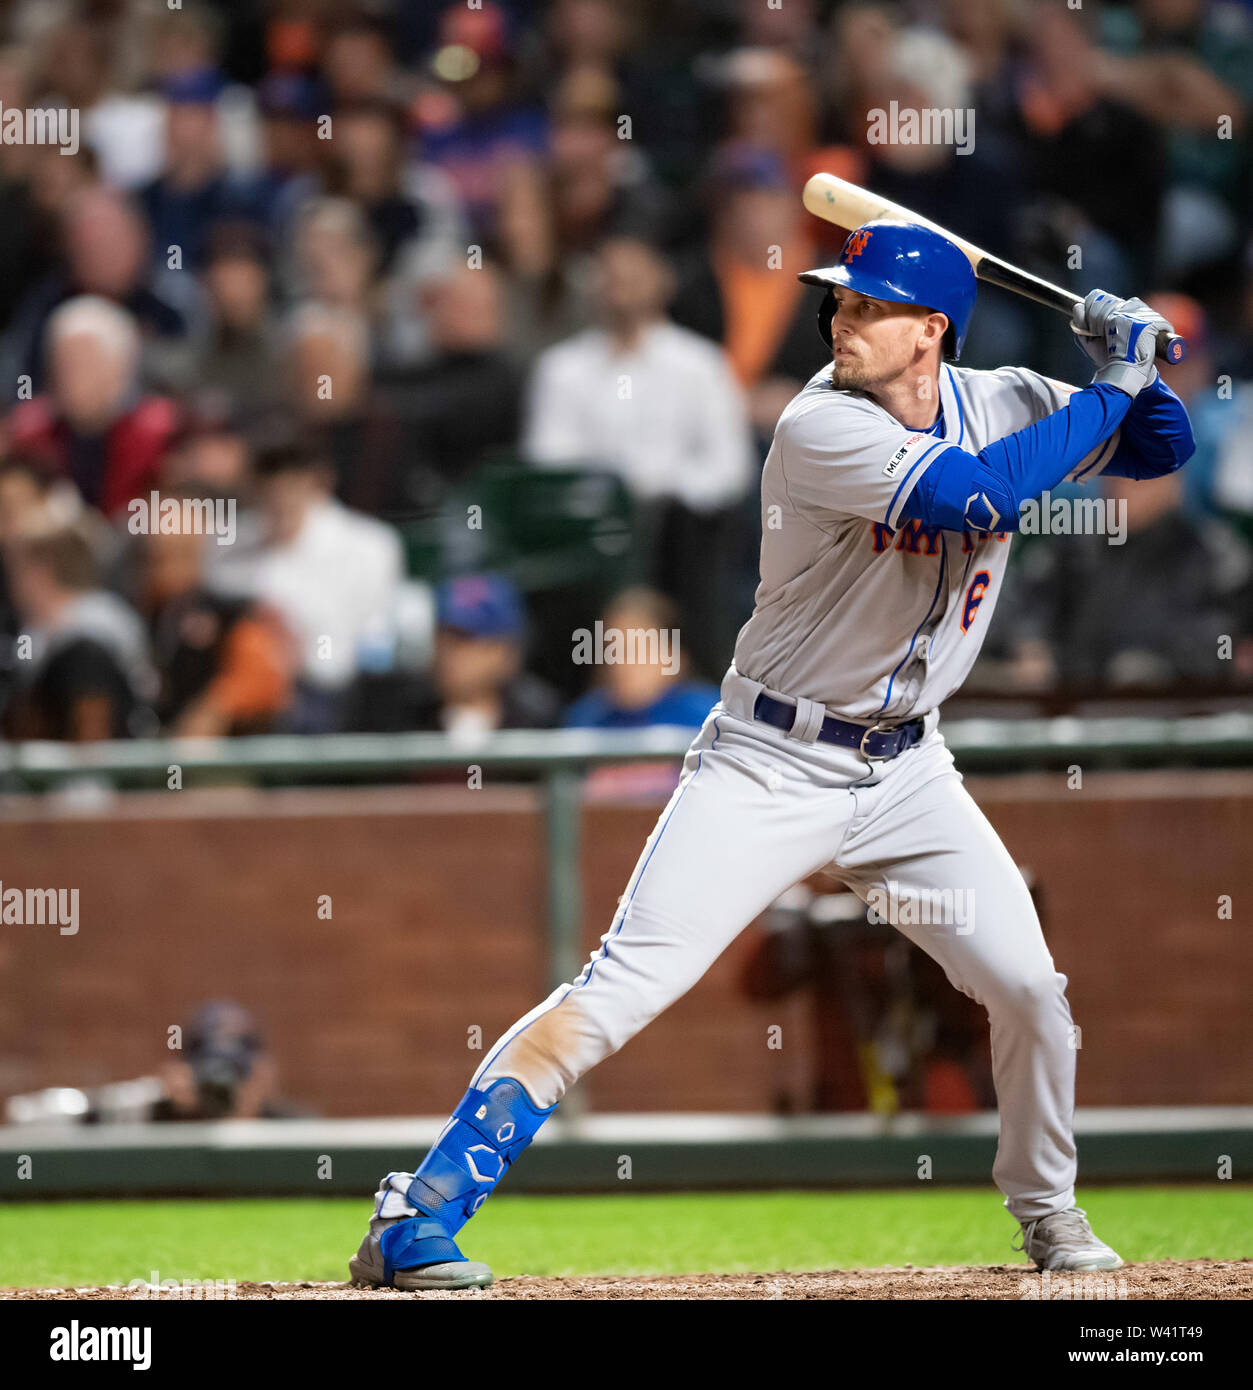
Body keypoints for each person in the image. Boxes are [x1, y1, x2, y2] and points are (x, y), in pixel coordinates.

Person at [345, 223, 1194, 1288]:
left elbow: (1161, 450)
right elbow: (967, 499)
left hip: (908, 772)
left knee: (1028, 989)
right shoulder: (816, 423)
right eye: (839, 303)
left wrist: (1131, 355)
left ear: (932, 329)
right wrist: (1109, 378)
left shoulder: (1009, 395)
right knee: (623, 985)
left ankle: (1047, 1213)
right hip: (766, 760)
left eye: (868, 307)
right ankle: (415, 1211)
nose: (842, 320)